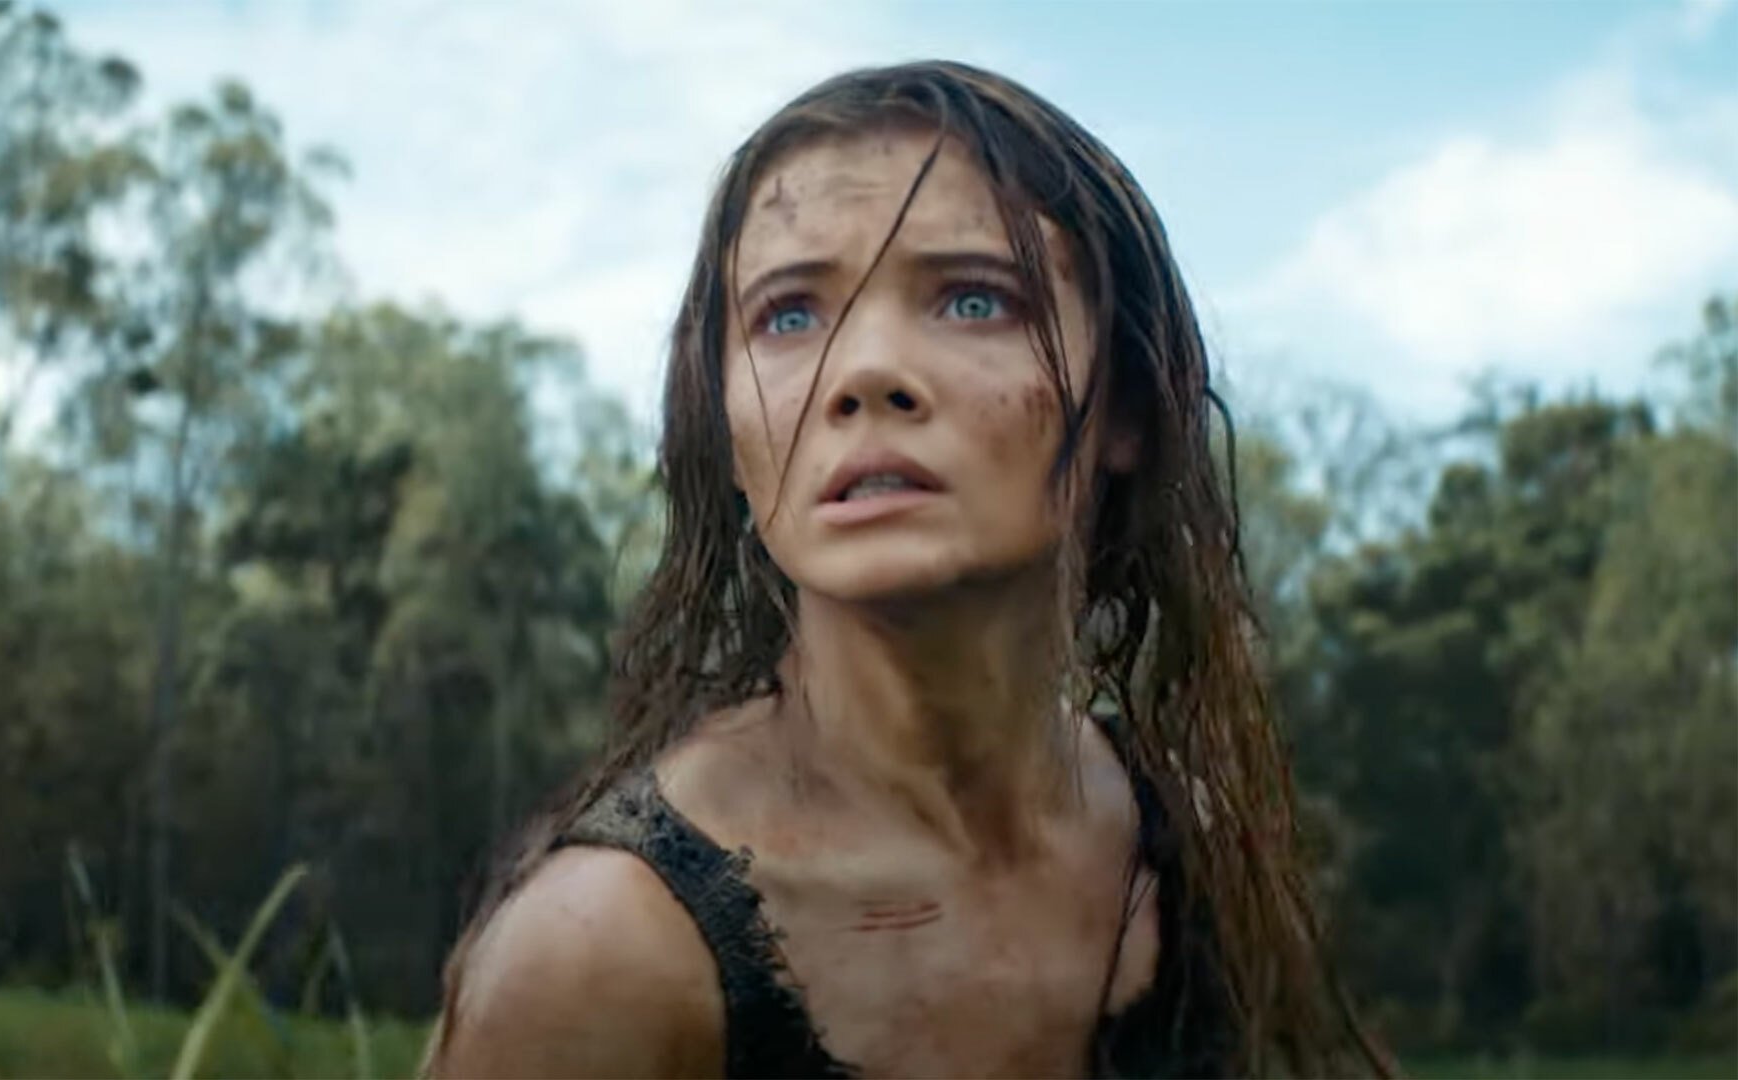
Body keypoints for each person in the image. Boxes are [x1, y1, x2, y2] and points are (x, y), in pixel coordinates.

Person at [420, 60, 1393, 1079]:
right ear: (732, 438)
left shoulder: (1183, 845)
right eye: (788, 316)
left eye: (975, 299)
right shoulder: (605, 952)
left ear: (1130, 408)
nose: (866, 370)